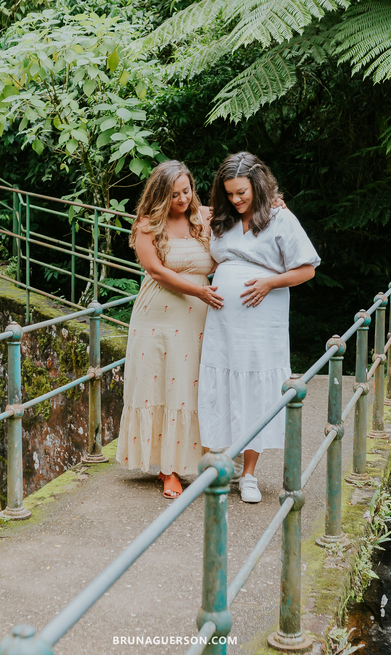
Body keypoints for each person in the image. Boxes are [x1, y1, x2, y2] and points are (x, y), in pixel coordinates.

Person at [198, 152, 319, 503]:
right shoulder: (221, 218)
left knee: (254, 387)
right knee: (220, 386)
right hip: (222, 321)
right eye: (229, 193)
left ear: (258, 186)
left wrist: (269, 283)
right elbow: (176, 207)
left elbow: (307, 269)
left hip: (262, 318)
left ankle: (249, 474)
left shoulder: (280, 218)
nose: (236, 200)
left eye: (242, 193)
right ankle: (224, 463)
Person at [116, 160, 223, 499]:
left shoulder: (205, 217)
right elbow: (157, 271)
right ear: (161, 195)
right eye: (174, 194)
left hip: (197, 318)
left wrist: (275, 202)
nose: (182, 199)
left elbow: (246, 208)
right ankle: (168, 469)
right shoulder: (147, 225)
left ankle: (200, 460)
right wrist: (200, 291)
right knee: (161, 385)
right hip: (157, 319)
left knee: (191, 386)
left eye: (186, 191)